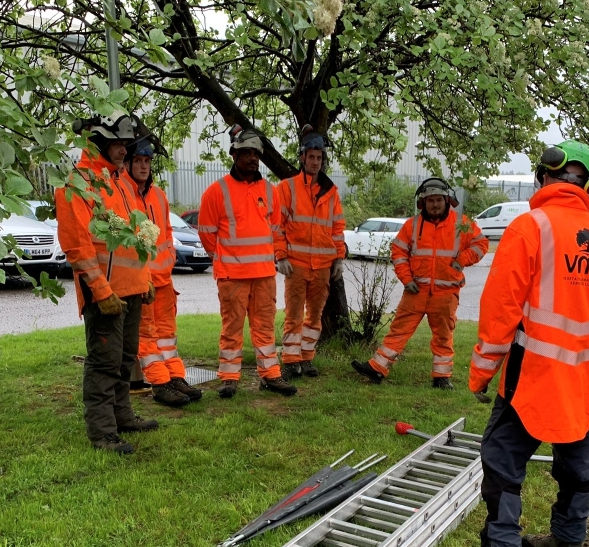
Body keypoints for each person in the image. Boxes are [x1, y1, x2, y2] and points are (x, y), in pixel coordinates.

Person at [449, 139, 589, 547]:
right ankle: (568, 542)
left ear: (545, 175)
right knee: (576, 464)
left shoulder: (531, 227)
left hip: (532, 376)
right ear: (588, 185)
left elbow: (501, 309)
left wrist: (481, 371)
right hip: (580, 380)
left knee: (502, 462)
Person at [56, 112, 158, 454]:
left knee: (126, 358)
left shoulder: (119, 181)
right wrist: (101, 290)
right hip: (105, 292)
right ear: (97, 141)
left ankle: (121, 416)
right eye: (116, 143)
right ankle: (102, 431)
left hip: (131, 288)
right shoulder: (79, 183)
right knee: (104, 361)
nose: (123, 150)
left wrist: (144, 278)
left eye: (125, 144)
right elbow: (77, 245)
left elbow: (134, 235)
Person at [351, 178, 488, 388]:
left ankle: (442, 378)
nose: (435, 204)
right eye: (430, 200)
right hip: (416, 291)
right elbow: (398, 252)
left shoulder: (461, 223)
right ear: (423, 202)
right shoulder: (412, 225)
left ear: (447, 200)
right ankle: (377, 368)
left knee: (443, 337)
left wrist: (462, 260)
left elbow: (481, 244)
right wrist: (406, 279)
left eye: (439, 200)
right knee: (398, 331)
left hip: (445, 293)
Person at [197, 124, 297, 399]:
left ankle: (270, 375)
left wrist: (276, 257)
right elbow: (206, 234)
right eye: (248, 153)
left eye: (257, 154)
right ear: (234, 154)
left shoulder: (270, 191)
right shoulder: (216, 192)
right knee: (231, 327)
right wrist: (225, 260)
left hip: (264, 274)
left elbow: (275, 230)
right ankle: (229, 378)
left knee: (264, 327)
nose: (253, 158)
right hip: (232, 276)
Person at [123, 137, 203, 408]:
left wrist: (168, 260)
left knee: (167, 334)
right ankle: (159, 383)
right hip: (140, 281)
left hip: (164, 279)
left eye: (147, 161)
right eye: (138, 161)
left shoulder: (158, 195)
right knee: (147, 336)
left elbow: (167, 233)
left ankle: (175, 377)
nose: (143, 166)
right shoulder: (122, 195)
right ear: (128, 164)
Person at [275, 127, 346, 379]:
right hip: (296, 264)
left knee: (314, 316)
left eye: (319, 157)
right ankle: (290, 360)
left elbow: (337, 228)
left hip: (323, 265)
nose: (315, 162)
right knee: (294, 315)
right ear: (302, 158)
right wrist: (281, 256)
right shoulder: (287, 188)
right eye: (311, 157)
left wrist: (339, 258)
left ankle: (306, 358)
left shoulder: (331, 192)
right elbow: (277, 226)